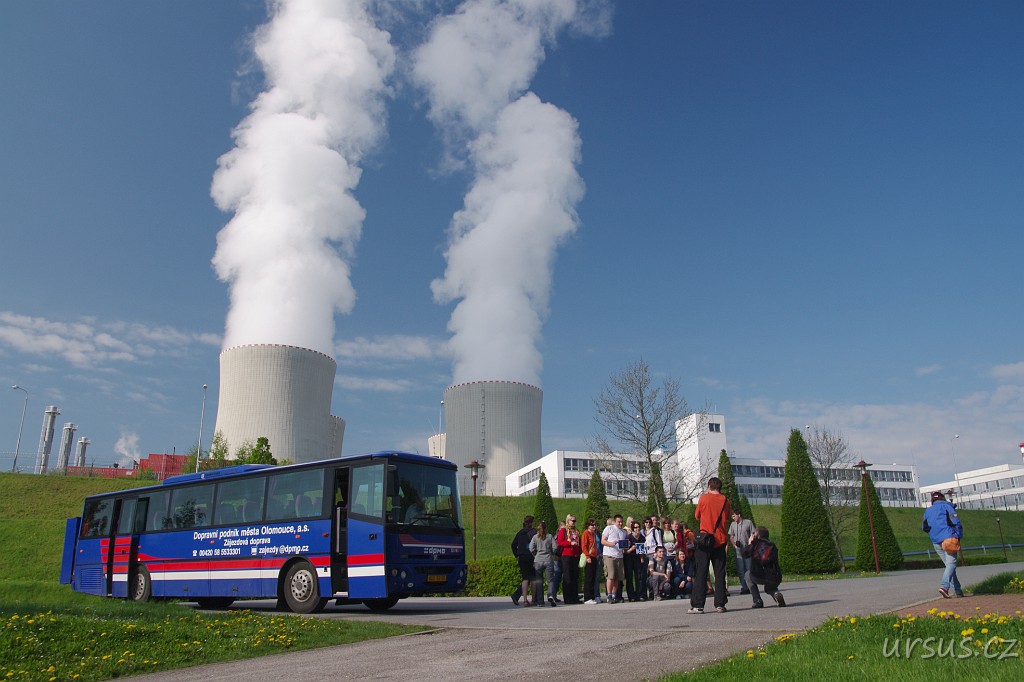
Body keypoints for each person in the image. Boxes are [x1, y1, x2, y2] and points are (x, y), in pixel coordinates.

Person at [689, 477, 732, 614]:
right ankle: (720, 604)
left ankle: (698, 605)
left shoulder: (704, 498)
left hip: (705, 539)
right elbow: (727, 517)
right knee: (719, 572)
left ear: (709, 486)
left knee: (701, 572)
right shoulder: (726, 501)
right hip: (720, 539)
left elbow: (697, 515)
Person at [922, 490, 964, 598]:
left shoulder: (928, 511)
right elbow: (955, 521)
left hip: (936, 541)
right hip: (949, 538)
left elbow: (924, 527)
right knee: (951, 565)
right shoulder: (947, 506)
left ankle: (958, 590)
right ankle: (944, 587)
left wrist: (934, 533)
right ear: (942, 498)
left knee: (949, 567)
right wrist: (958, 535)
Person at [742, 526, 785, 608]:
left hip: (759, 575)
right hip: (775, 576)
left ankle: (757, 601)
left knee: (747, 575)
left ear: (757, 536)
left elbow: (744, 554)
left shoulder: (755, 544)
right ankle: (776, 594)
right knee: (769, 587)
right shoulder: (773, 546)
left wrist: (750, 543)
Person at [530, 521, 559, 606]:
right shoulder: (549, 536)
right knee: (550, 580)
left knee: (539, 581)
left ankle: (540, 602)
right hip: (548, 559)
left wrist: (535, 554)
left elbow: (531, 548)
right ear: (546, 528)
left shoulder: (535, 537)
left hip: (538, 560)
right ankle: (550, 595)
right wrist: (552, 553)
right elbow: (555, 547)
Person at [601, 514, 628, 603]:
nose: (620, 523)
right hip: (609, 555)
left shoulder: (623, 532)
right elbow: (603, 541)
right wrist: (611, 543)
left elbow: (623, 546)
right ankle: (609, 595)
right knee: (611, 576)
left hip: (619, 556)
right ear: (615, 521)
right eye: (618, 522)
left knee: (617, 577)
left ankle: (614, 595)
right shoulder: (609, 528)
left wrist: (627, 545)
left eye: (621, 522)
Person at [728, 510, 756, 595]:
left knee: (748, 568)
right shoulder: (733, 524)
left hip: (747, 548)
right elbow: (731, 536)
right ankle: (744, 587)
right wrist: (734, 545)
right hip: (738, 549)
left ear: (739, 515)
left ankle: (751, 587)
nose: (733, 518)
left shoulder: (748, 522)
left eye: (734, 516)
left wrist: (750, 543)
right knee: (741, 569)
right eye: (732, 516)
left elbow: (753, 533)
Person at [556, 515, 582, 604]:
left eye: (575, 521)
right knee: (567, 577)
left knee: (575, 577)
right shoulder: (563, 531)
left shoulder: (576, 531)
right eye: (572, 521)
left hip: (575, 555)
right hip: (566, 555)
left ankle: (575, 597)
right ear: (568, 521)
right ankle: (568, 598)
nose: (574, 522)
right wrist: (569, 543)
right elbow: (560, 542)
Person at [511, 515, 537, 606]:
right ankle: (533, 599)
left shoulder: (520, 533)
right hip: (531, 556)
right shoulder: (533, 532)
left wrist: (516, 555)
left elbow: (513, 545)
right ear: (531, 523)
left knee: (525, 578)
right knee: (533, 578)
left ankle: (525, 600)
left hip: (522, 557)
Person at [624, 520, 646, 601]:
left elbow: (642, 549)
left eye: (638, 527)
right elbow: (625, 551)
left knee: (639, 576)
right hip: (629, 558)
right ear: (632, 529)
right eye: (635, 527)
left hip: (637, 558)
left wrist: (642, 558)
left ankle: (639, 594)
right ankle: (631, 596)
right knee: (629, 577)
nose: (637, 529)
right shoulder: (628, 537)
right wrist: (631, 549)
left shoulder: (642, 537)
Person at [581, 518, 602, 604]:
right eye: (592, 525)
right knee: (589, 578)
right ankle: (587, 597)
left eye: (595, 525)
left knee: (593, 577)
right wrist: (587, 556)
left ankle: (592, 596)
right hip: (589, 557)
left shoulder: (594, 534)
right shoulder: (586, 533)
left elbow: (595, 546)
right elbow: (584, 546)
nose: (594, 526)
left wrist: (597, 554)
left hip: (594, 557)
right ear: (588, 525)